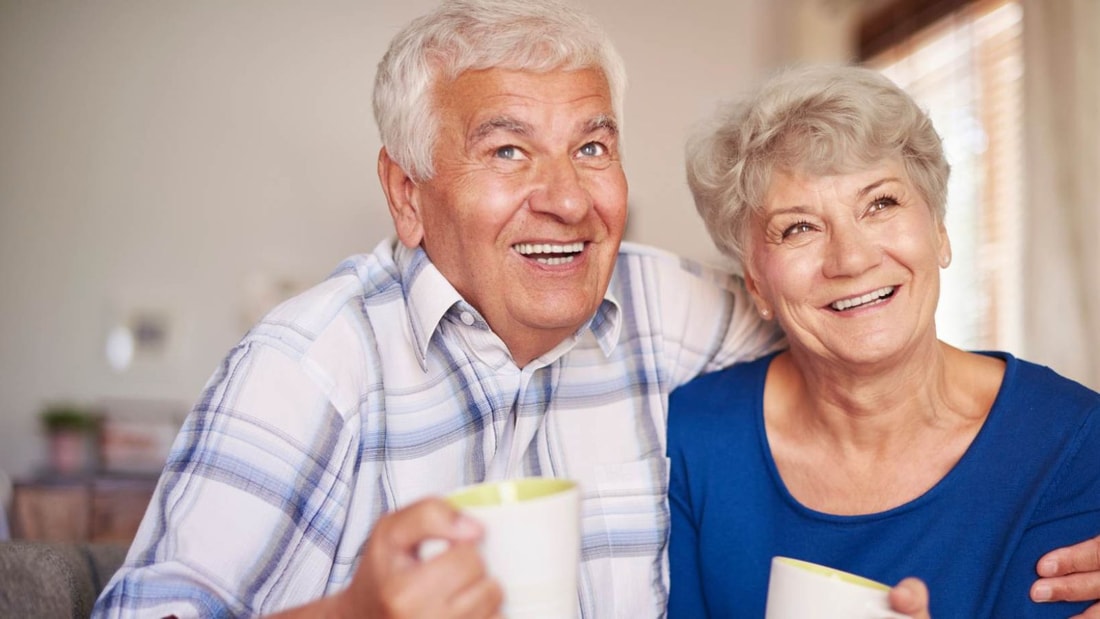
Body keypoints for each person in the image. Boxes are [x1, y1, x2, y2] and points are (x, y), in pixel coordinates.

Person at [90, 2, 1100, 617]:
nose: (566, 198)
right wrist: (356, 614)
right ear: (406, 195)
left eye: (590, 145)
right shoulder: (308, 366)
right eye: (505, 150)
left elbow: (864, 332)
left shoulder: (666, 310)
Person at [666, 63, 1100, 618]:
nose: (851, 258)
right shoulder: (695, 437)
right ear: (757, 285)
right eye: (798, 227)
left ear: (940, 231)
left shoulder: (1069, 445)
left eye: (881, 204)